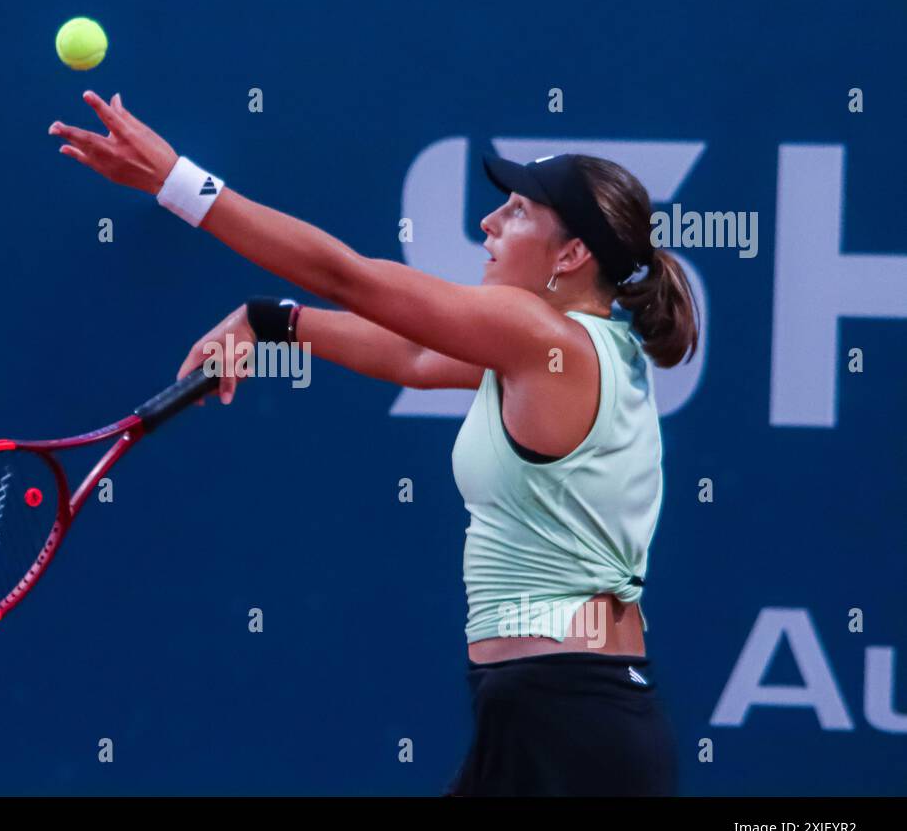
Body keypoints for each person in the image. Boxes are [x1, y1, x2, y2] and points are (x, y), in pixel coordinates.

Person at [49, 90, 699, 795]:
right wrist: (273, 321)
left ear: (570, 253)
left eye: (516, 212)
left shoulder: (543, 336)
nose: (488, 222)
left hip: (570, 727)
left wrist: (176, 181)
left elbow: (348, 277)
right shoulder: (568, 351)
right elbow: (413, 362)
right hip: (550, 710)